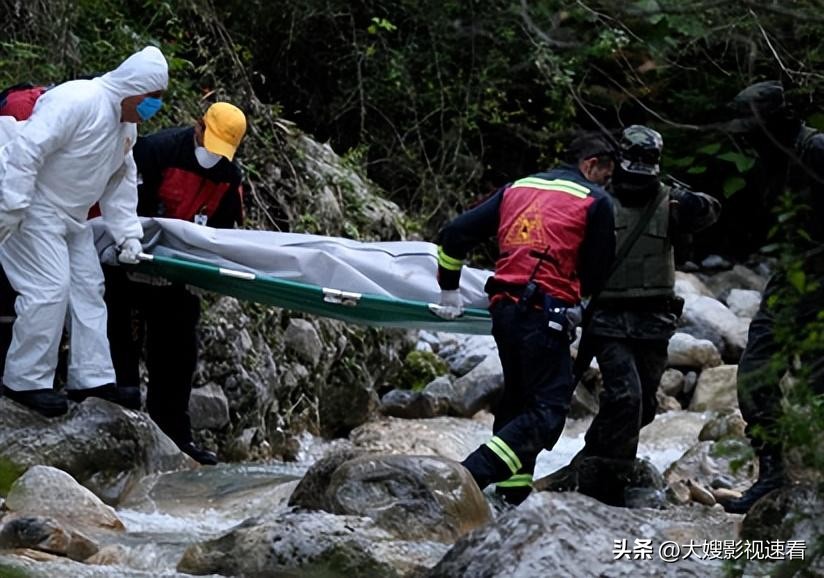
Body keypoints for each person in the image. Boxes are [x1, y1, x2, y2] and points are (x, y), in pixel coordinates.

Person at [433, 134, 617, 504]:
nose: (605, 183)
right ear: (590, 164)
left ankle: (511, 498)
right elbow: (597, 273)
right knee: (547, 413)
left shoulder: (517, 188)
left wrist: (449, 290)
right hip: (545, 313)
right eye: (605, 174)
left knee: (519, 401)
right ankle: (467, 477)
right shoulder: (594, 200)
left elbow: (454, 235)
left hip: (503, 309)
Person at [543, 125, 721, 506]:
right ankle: (609, 474)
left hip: (653, 323)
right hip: (608, 321)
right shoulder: (598, 201)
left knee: (643, 408)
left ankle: (591, 461)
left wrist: (694, 203)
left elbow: (710, 212)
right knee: (626, 396)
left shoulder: (672, 204)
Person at [0, 46, 169, 417]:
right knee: (48, 288)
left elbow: (119, 184)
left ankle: (91, 378)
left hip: (71, 216)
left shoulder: (127, 128)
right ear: (133, 88)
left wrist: (128, 235)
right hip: (32, 203)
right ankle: (24, 381)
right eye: (152, 98)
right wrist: (10, 206)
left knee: (89, 288)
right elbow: (27, 149)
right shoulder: (78, 99)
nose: (154, 106)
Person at [103, 102, 247, 465]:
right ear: (199, 127)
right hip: (131, 261)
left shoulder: (230, 178)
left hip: (179, 275)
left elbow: (223, 233)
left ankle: (176, 437)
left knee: (180, 354)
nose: (215, 155)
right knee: (121, 339)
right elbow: (122, 200)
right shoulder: (156, 150)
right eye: (211, 143)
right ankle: (119, 427)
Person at [720, 81, 824, 514]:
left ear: (778, 120)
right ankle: (773, 475)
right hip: (793, 278)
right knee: (757, 373)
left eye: (753, 128)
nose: (745, 138)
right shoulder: (770, 158)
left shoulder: (816, 149)